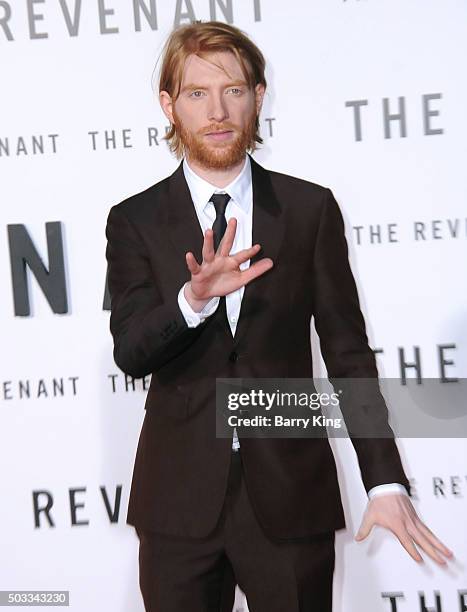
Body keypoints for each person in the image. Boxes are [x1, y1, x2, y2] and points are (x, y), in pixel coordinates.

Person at [105, 20, 453, 612]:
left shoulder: (307, 209)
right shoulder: (134, 220)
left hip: (291, 494)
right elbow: (131, 351)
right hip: (179, 504)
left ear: (258, 97)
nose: (217, 111)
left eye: (233, 90)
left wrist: (384, 479)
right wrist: (193, 301)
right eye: (196, 94)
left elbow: (346, 351)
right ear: (169, 105)